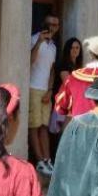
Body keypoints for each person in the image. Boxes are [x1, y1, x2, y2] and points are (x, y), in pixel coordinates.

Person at [28, 15, 60, 178]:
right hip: (32, 87)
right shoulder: (34, 39)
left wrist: (50, 90)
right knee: (34, 125)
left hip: (45, 90)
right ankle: (39, 161)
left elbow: (52, 70)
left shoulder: (53, 47)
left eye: (56, 24)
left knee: (44, 126)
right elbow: (29, 61)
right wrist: (39, 42)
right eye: (50, 24)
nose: (53, 27)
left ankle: (47, 159)